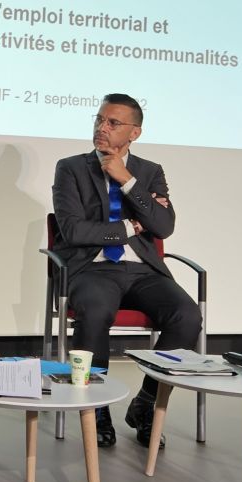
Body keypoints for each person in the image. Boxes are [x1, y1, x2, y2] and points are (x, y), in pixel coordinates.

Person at [52, 93, 201, 449]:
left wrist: (127, 180)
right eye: (100, 120)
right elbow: (72, 231)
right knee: (97, 309)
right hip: (94, 268)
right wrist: (130, 228)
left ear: (134, 133)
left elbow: (163, 226)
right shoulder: (71, 168)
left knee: (187, 315)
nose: (102, 128)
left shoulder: (149, 172)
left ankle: (146, 404)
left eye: (113, 123)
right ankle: (97, 407)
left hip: (143, 271)